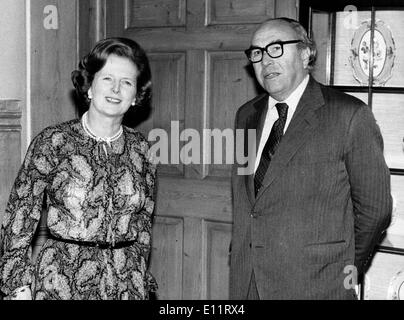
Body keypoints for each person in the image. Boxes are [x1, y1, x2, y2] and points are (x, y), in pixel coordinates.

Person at [229, 18, 392, 300]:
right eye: (257, 52)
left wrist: (342, 265)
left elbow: (375, 210)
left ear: (305, 54)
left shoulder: (349, 116)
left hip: (317, 286)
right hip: (249, 283)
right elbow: (250, 201)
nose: (265, 60)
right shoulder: (246, 116)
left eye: (276, 48)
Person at [0, 37, 157, 300]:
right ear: (90, 87)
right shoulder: (54, 141)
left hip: (127, 283)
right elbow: (19, 217)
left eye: (127, 82)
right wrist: (19, 287)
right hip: (61, 281)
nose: (116, 89)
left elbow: (144, 222)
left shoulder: (142, 149)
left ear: (135, 96)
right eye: (107, 78)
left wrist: (139, 273)